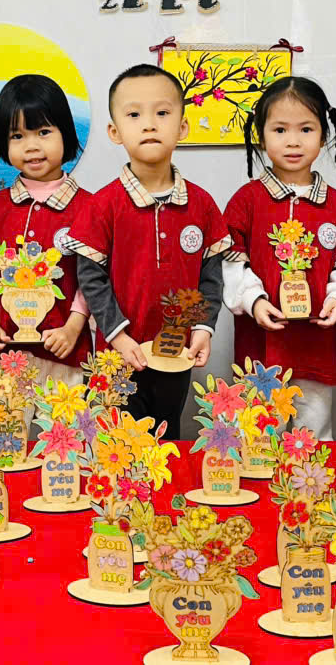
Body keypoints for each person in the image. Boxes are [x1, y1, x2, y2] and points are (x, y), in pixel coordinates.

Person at [67, 64, 232, 439]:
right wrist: (118, 336)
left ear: (183, 127)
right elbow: (91, 279)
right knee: (116, 446)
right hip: (116, 355)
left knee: (166, 438)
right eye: (134, 115)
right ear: (114, 132)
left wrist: (204, 328)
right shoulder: (102, 206)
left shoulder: (202, 205)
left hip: (175, 355)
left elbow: (211, 278)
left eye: (162, 112)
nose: (149, 125)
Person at [222, 77, 336, 439]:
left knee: (313, 437)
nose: (293, 141)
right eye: (280, 130)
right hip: (260, 347)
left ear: (323, 135)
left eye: (306, 129)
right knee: (258, 438)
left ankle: (311, 478)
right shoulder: (246, 201)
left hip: (316, 347)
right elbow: (231, 262)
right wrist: (254, 301)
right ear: (261, 135)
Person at [0, 74, 92, 388]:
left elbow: (93, 278)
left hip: (66, 351)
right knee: (3, 422)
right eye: (17, 136)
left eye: (43, 132)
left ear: (66, 133)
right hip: (6, 353)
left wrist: (73, 328)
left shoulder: (90, 207)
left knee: (67, 423)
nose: (32, 146)